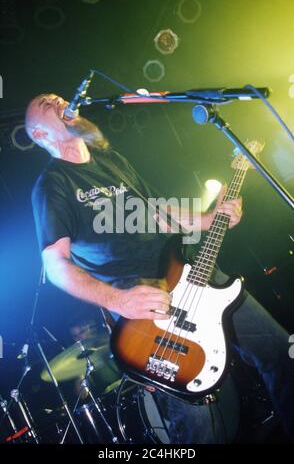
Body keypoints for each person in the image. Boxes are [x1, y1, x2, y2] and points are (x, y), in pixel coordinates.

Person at [25, 93, 294, 443]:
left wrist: (211, 218)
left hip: (195, 274)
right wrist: (117, 301)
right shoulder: (53, 185)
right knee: (196, 413)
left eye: (58, 97)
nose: (59, 100)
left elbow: (159, 214)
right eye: (47, 105)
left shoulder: (112, 160)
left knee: (282, 352)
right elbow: (55, 264)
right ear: (41, 136)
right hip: (148, 301)